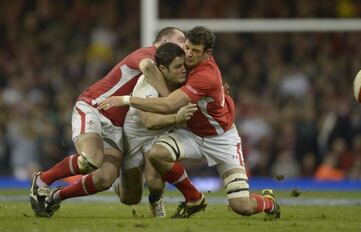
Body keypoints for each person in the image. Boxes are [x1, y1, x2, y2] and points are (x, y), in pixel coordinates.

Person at [98, 26, 281, 219]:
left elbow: (169, 104)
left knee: (241, 206)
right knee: (157, 154)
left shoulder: (205, 75)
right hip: (192, 134)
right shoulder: (185, 61)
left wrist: (126, 100)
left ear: (207, 54)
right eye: (187, 48)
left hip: (222, 139)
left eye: (195, 51)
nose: (189, 54)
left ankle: (269, 202)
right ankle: (193, 198)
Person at [29, 27, 186, 217]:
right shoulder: (148, 54)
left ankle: (56, 196)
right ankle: (42, 180)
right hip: (94, 107)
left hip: (118, 125)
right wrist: (168, 100)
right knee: (91, 160)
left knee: (107, 180)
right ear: (163, 40)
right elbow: (147, 66)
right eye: (180, 39)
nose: (184, 44)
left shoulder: (175, 67)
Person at [115, 42, 198, 218]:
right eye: (177, 67)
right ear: (162, 69)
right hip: (134, 138)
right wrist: (177, 118)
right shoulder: (147, 86)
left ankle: (155, 200)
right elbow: (150, 122)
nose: (183, 70)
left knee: (154, 182)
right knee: (130, 198)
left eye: (183, 65)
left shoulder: (184, 78)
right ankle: (119, 183)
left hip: (159, 136)